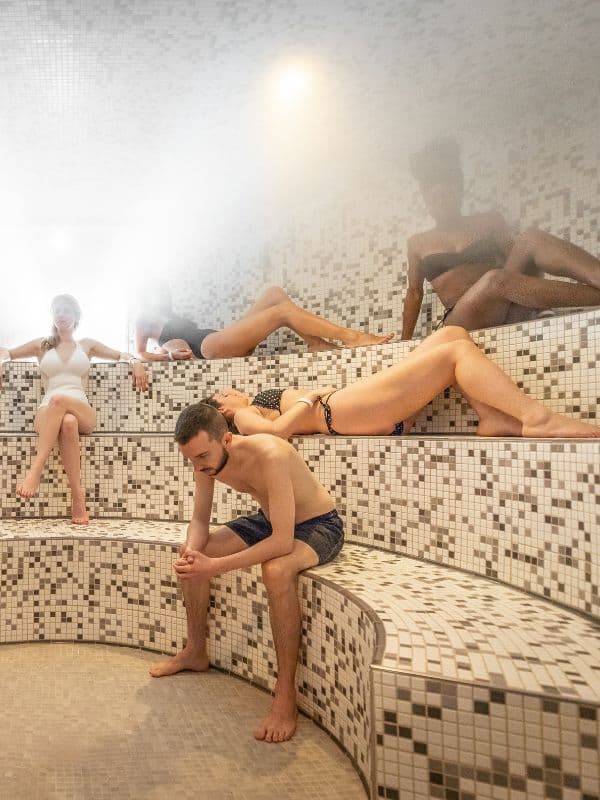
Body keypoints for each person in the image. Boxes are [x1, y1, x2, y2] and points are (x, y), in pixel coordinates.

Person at [149, 402, 345, 743]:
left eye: (202, 457)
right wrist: (194, 552)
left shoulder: (269, 453)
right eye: (191, 460)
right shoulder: (205, 461)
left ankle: (285, 696)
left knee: (276, 571)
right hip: (272, 520)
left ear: (226, 439)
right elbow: (199, 520)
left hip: (318, 526)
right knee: (196, 555)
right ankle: (196, 651)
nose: (197, 466)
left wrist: (214, 567)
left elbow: (282, 542)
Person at [204, 326, 600, 439]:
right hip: (336, 411)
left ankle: (492, 418)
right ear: (221, 410)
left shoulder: (250, 407)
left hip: (345, 406)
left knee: (452, 335)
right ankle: (537, 418)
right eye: (224, 394)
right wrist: (308, 399)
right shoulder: (242, 420)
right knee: (454, 355)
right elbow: (276, 432)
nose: (231, 392)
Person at [402, 137, 600, 338]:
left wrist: (533, 299)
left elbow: (521, 264)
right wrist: (403, 342)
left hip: (505, 303)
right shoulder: (417, 243)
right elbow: (414, 293)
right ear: (426, 200)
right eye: (434, 198)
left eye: (446, 194)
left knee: (531, 238)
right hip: (462, 319)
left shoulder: (489, 221)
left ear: (459, 191)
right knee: (494, 280)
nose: (441, 202)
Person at [0, 294, 149, 524]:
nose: (61, 314)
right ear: (52, 315)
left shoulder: (87, 345)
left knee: (61, 402)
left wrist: (135, 363)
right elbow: (5, 352)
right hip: (47, 411)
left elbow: (121, 354)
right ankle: (78, 496)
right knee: (67, 422)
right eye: (57, 310)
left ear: (76, 316)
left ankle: (35, 470)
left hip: (81, 408)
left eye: (66, 310)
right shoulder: (42, 344)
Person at [134, 284, 393, 361]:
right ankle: (355, 338)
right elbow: (142, 353)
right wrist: (169, 355)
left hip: (217, 338)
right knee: (281, 313)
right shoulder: (143, 320)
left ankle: (316, 344)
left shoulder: (170, 313)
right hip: (209, 348)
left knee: (274, 294)